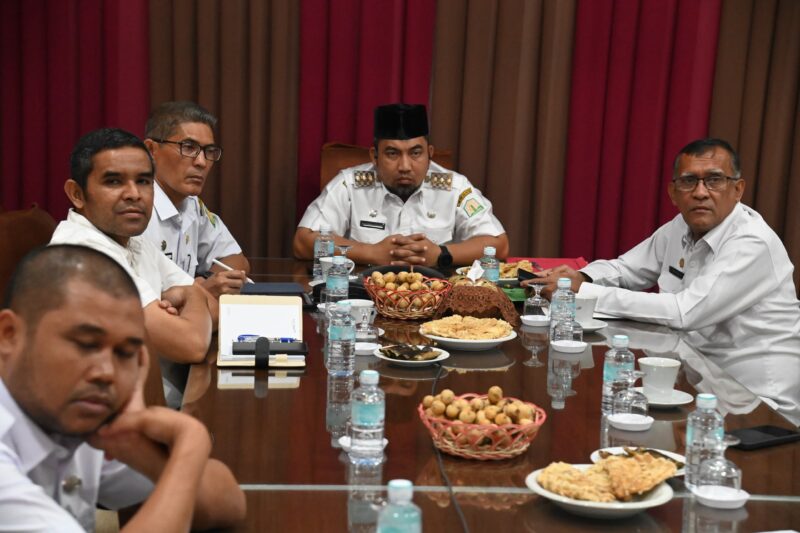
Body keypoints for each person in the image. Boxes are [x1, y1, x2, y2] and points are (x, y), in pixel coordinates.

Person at [528, 138, 800, 418]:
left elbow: (684, 312)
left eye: (715, 181)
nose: (700, 193)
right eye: (689, 181)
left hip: (760, 401)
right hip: (699, 378)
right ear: (673, 192)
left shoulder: (752, 242)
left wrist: (582, 292)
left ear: (738, 189)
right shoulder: (681, 225)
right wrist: (582, 276)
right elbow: (625, 269)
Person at [0, 244, 245, 530]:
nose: (106, 373)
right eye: (86, 345)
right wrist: (190, 443)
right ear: (9, 336)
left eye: (125, 353)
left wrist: (134, 446)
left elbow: (229, 504)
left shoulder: (72, 414)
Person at [50, 128, 216, 407]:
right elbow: (192, 344)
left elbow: (214, 307)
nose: (133, 194)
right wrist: (191, 297)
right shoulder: (84, 256)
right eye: (113, 181)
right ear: (77, 194)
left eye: (143, 181)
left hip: (164, 403)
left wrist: (190, 300)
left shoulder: (130, 240)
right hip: (112, 429)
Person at [293, 103, 509, 267]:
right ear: (374, 156)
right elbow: (303, 242)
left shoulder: (454, 187)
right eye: (392, 153)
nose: (405, 166)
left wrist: (441, 254)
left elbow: (498, 244)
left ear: (429, 155)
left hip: (436, 301)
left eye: (415, 153)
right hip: (364, 299)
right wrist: (370, 253)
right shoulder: (350, 185)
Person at [142, 101, 249, 298]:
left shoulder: (192, 204)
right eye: (189, 147)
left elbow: (237, 260)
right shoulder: (136, 210)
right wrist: (198, 293)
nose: (201, 162)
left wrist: (214, 284)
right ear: (151, 150)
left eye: (209, 151)